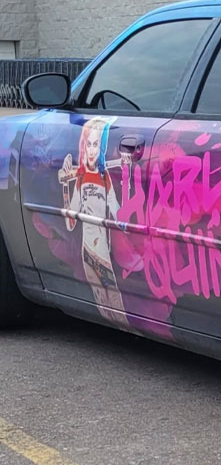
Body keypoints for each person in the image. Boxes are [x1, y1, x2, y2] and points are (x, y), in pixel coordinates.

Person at [58, 117, 130, 323]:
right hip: (88, 253)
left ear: (101, 147)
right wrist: (65, 187)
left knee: (116, 306)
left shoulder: (104, 177)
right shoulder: (79, 178)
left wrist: (126, 181)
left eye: (96, 144)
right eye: (88, 144)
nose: (91, 150)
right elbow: (70, 222)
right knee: (102, 305)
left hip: (103, 254)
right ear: (83, 146)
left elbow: (116, 211)